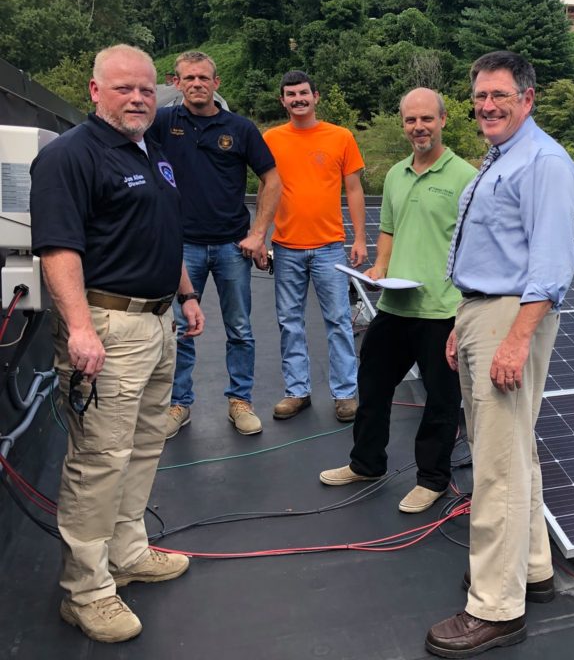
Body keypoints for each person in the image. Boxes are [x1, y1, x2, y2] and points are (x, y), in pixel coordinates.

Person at [30, 44, 206, 643]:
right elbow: (58, 249)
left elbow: (164, 229)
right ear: (94, 90)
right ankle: (86, 591)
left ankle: (127, 553)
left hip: (158, 322)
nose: (137, 99)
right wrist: (79, 328)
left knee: (143, 444)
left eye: (145, 90)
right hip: (108, 326)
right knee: (99, 459)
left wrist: (184, 295)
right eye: (123, 88)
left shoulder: (151, 151)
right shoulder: (68, 157)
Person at [425, 52, 574, 658]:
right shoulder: (503, 156)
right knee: (516, 452)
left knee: (495, 466)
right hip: (483, 313)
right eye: (480, 97)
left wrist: (512, 336)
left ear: (528, 98)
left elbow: (551, 263)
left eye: (500, 97)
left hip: (513, 316)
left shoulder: (543, 161)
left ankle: (496, 608)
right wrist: (465, 324)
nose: (487, 107)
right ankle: (532, 570)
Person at [318, 88, 476, 514]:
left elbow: (473, 246)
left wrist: (465, 306)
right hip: (394, 305)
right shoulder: (394, 175)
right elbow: (387, 229)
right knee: (372, 386)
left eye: (426, 119)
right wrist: (380, 267)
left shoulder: (464, 177)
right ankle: (366, 463)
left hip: (441, 309)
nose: (418, 127)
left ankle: (432, 479)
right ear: (403, 123)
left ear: (443, 120)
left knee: (440, 401)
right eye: (410, 120)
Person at [147, 50, 281, 438]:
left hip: (230, 247)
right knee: (180, 328)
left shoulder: (239, 128)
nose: (196, 84)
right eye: (188, 78)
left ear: (215, 83)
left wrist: (258, 233)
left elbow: (271, 179)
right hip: (182, 246)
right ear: (176, 82)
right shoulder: (162, 122)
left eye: (203, 78)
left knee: (239, 328)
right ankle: (179, 403)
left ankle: (240, 401)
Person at [263, 71, 367, 422]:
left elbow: (353, 189)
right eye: (291, 94)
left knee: (338, 320)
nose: (298, 99)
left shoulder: (340, 137)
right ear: (283, 100)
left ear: (316, 96)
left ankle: (345, 393)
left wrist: (361, 238)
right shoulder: (272, 139)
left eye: (303, 93)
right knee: (289, 321)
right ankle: (297, 391)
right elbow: (267, 189)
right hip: (287, 246)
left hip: (329, 247)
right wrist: (258, 236)